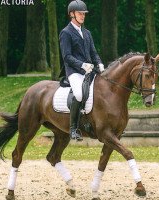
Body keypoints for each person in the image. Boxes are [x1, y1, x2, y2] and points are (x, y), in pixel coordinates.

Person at [59, 0, 104, 141]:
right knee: (79, 94)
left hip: (89, 71)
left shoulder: (87, 33)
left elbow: (93, 51)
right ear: (72, 14)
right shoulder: (66, 33)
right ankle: (73, 129)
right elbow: (67, 56)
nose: (83, 16)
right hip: (74, 72)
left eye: (84, 13)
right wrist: (82, 65)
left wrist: (99, 63)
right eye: (80, 13)